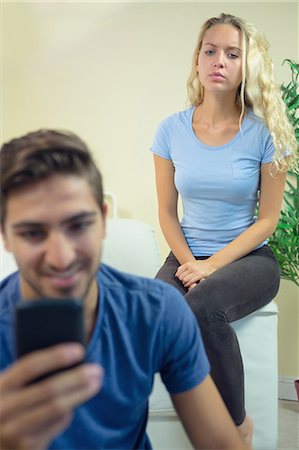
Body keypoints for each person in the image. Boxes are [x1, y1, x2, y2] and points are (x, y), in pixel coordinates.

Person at [0, 129, 250, 450]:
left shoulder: (157, 311)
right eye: (33, 233)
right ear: (5, 235)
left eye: (78, 226)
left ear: (103, 221)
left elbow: (222, 444)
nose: (61, 257)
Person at [150, 12, 297, 447]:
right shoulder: (170, 131)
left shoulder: (264, 132)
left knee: (203, 306)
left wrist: (212, 265)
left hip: (249, 259)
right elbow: (165, 211)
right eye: (210, 50)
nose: (219, 60)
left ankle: (237, 429)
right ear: (197, 60)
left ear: (244, 66)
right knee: (155, 314)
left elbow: (268, 220)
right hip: (186, 254)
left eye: (232, 54)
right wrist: (190, 261)